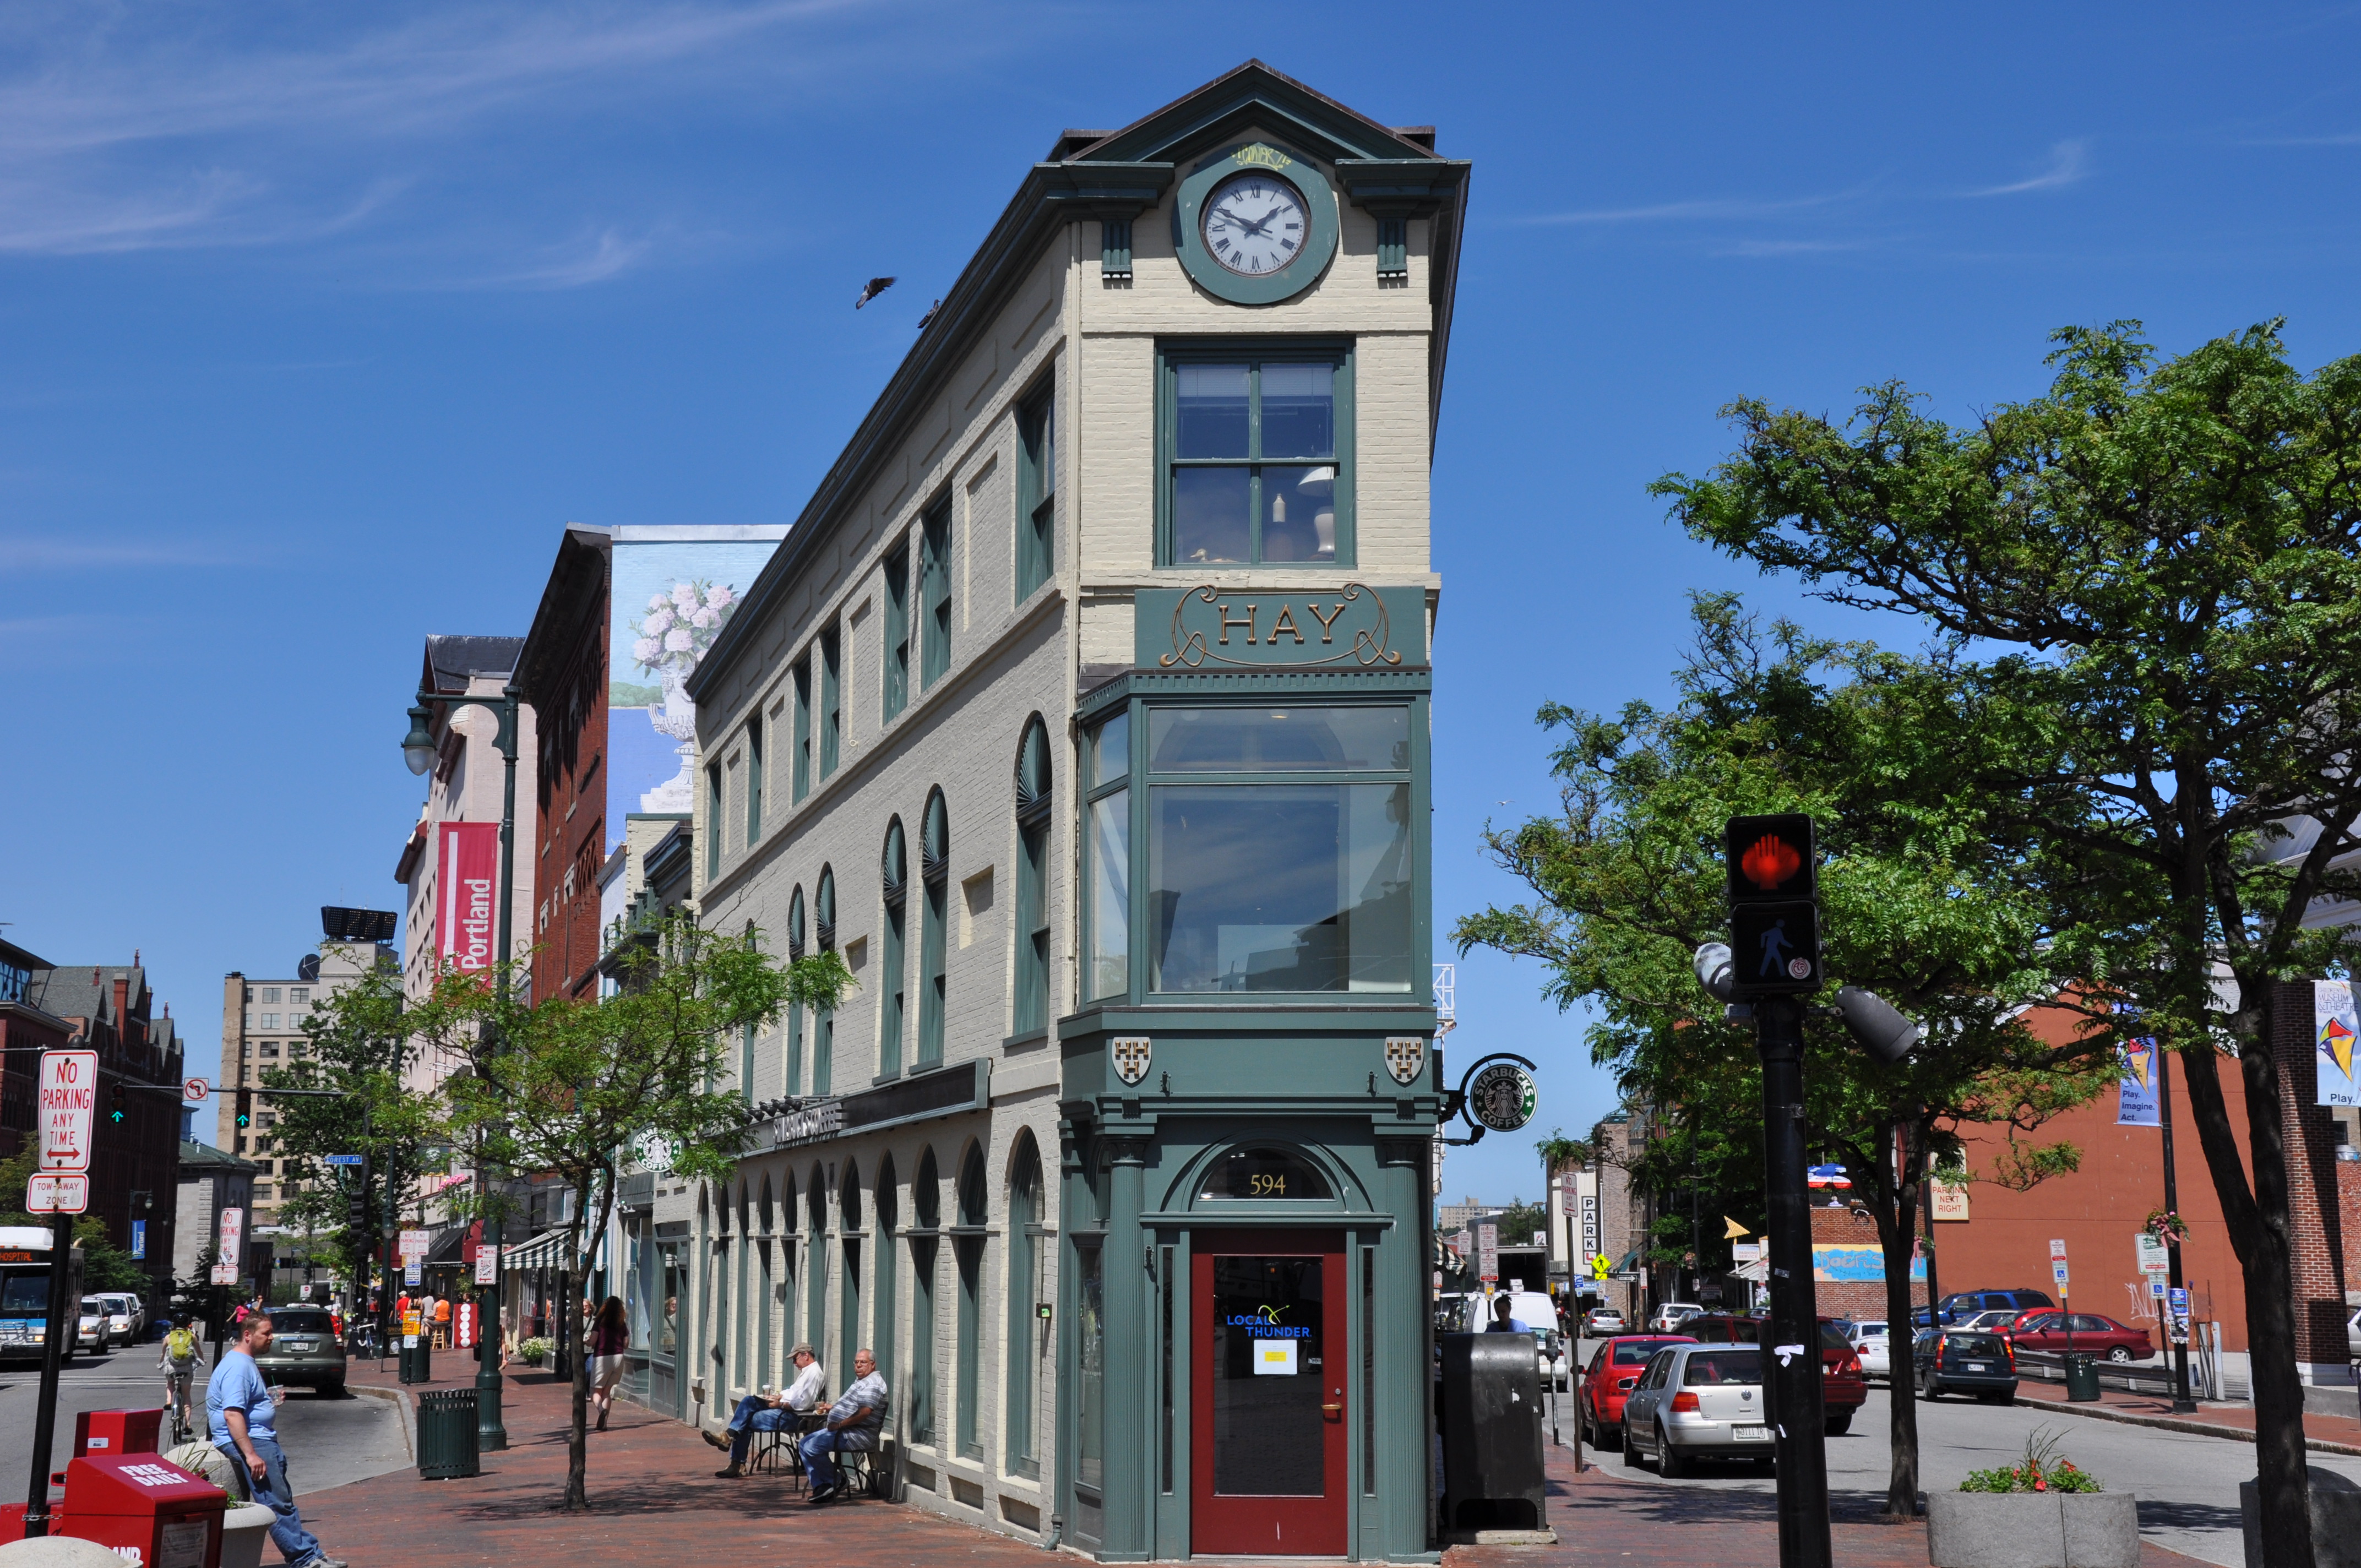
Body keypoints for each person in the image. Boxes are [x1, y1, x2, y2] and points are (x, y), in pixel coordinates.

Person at [209, 1310, 345, 1568]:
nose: (272, 1338)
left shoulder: (245, 1362)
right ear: (248, 1335)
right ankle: (304, 1559)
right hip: (252, 1441)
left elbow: (245, 1406)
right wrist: (250, 1454)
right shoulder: (237, 1367)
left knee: (283, 1500)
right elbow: (232, 1414)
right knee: (276, 1503)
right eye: (266, 1333)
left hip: (259, 1438)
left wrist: (267, 1404)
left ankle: (310, 1553)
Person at [704, 1342, 825, 1476]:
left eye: (795, 1359)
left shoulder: (815, 1374)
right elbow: (793, 1391)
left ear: (806, 1355)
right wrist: (778, 1396)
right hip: (786, 1410)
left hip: (796, 1417)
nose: (794, 1363)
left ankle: (735, 1458)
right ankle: (730, 1442)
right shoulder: (807, 1372)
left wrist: (780, 1405)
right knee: (749, 1401)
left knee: (747, 1420)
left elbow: (803, 1403)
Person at [798, 1348, 886, 1505]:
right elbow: (854, 1407)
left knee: (812, 1446)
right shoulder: (862, 1381)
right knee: (804, 1443)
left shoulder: (872, 1384)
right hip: (845, 1431)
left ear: (873, 1365)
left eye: (863, 1362)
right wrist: (833, 1408)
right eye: (857, 1362)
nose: (859, 1366)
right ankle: (822, 1486)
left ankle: (836, 1481)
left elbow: (865, 1412)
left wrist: (839, 1424)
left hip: (857, 1435)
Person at [586, 1298, 632, 1431]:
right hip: (618, 1358)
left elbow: (593, 1341)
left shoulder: (600, 1322)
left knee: (595, 1391)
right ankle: (604, 1424)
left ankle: (601, 1411)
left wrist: (587, 1342)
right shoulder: (621, 1324)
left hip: (602, 1357)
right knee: (607, 1392)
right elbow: (626, 1345)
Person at [159, 1316, 199, 1439]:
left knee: (170, 1382)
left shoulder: (169, 1337)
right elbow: (199, 1352)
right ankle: (187, 1424)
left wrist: (161, 1362)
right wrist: (202, 1360)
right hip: (186, 1369)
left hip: (172, 1368)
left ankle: (169, 1400)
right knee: (186, 1396)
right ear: (188, 1325)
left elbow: (163, 1353)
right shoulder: (192, 1336)